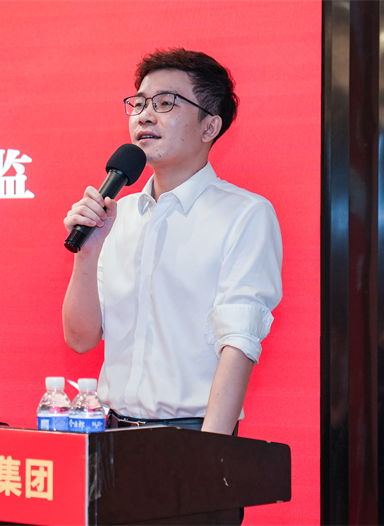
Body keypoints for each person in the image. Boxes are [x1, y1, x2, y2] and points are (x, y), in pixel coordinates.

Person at [62, 48, 282, 435]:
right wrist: (88, 252)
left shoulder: (245, 214)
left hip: (192, 437)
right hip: (111, 434)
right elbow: (80, 340)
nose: (144, 115)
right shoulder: (118, 215)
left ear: (209, 127)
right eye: (139, 104)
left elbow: (239, 345)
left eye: (165, 103)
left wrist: (210, 454)